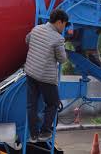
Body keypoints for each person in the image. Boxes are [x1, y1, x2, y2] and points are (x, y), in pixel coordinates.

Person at [24, 9, 68, 142]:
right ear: (59, 22)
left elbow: (27, 40)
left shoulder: (36, 29)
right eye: (64, 24)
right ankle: (45, 131)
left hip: (30, 72)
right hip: (45, 77)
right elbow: (62, 59)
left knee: (31, 105)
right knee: (53, 103)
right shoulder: (58, 38)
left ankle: (33, 134)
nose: (64, 27)